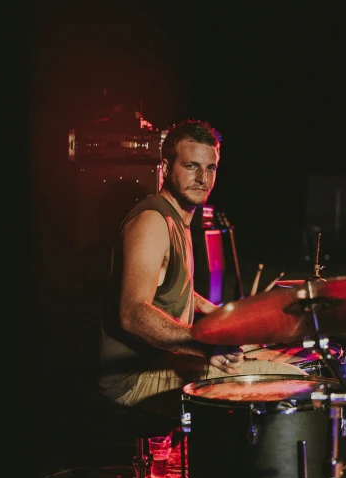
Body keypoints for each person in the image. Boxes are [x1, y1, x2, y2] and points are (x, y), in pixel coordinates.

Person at [96, 119, 245, 423]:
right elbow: (133, 313)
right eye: (191, 166)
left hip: (163, 362)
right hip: (132, 380)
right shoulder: (153, 222)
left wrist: (221, 315)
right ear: (165, 167)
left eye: (211, 168)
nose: (202, 178)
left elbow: (173, 284)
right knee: (276, 383)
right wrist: (203, 345)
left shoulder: (180, 219)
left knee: (263, 362)